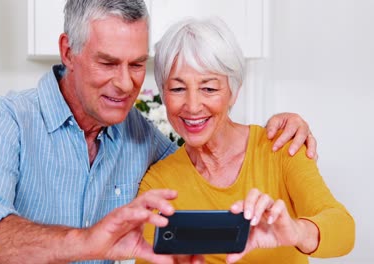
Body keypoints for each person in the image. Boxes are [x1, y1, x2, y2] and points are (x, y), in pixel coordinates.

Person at [0, 1, 317, 264]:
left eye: (137, 64)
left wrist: (279, 125)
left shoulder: (140, 138)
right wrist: (88, 242)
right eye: (107, 62)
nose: (125, 84)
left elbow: (201, 163)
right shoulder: (8, 119)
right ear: (68, 51)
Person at [137, 17, 355, 264]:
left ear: (234, 91)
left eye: (209, 89)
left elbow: (343, 229)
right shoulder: (159, 183)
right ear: (163, 94)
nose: (193, 106)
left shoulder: (280, 148)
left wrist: (295, 231)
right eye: (177, 89)